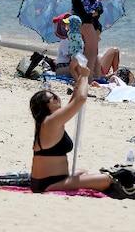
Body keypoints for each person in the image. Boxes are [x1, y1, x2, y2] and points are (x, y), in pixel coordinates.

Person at [29, 64, 115, 194]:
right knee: (106, 179)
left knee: (82, 171)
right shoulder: (51, 121)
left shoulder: (46, 122)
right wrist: (86, 77)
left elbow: (73, 101)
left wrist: (80, 78)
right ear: (45, 106)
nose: (57, 99)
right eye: (54, 98)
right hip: (48, 183)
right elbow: (80, 99)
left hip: (49, 179)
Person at [71, 0, 105, 79]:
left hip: (76, 24)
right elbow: (88, 9)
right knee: (92, 52)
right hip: (86, 23)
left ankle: (81, 76)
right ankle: (87, 79)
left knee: (83, 51)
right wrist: (97, 1)